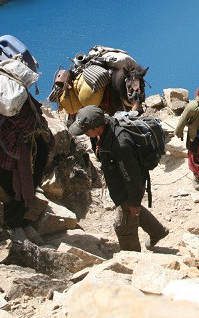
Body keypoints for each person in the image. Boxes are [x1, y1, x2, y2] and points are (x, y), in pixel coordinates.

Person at [69, 106, 169, 251]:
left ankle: (131, 259)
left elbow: (131, 176)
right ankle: (158, 232)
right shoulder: (104, 128)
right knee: (131, 211)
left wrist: (134, 201)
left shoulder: (120, 145)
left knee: (124, 228)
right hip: (122, 182)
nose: (85, 134)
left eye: (86, 130)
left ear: (97, 126)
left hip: (129, 187)